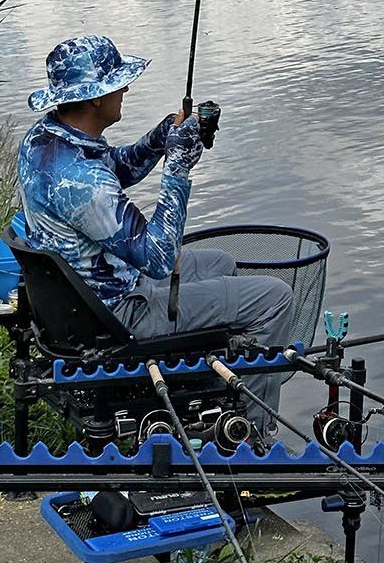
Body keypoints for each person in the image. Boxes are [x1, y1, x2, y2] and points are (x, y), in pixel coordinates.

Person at [16, 34, 295, 433]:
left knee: (222, 262)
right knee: (275, 299)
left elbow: (115, 169)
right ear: (96, 97)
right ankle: (254, 437)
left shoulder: (46, 140)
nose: (126, 88)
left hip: (86, 296)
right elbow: (159, 258)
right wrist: (177, 170)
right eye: (118, 82)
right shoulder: (81, 180)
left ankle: (214, 397)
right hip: (117, 316)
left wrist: (159, 140)